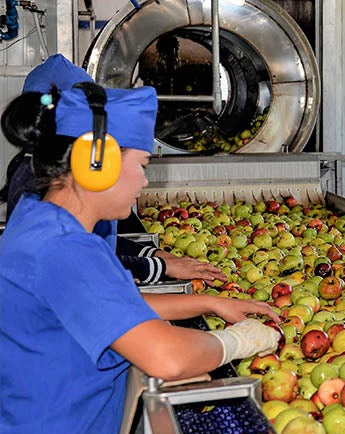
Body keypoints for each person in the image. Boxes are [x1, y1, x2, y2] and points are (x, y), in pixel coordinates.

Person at [0, 82, 282, 434]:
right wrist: (237, 342)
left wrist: (212, 301)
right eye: (143, 166)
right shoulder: (64, 250)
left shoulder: (44, 221)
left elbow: (111, 304)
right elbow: (167, 357)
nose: (144, 184)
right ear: (96, 162)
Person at [2, 54, 224, 285]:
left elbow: (99, 245)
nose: (144, 180)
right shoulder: (38, 190)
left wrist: (153, 255)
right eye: (141, 165)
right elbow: (85, 268)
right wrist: (159, 266)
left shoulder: (60, 185)